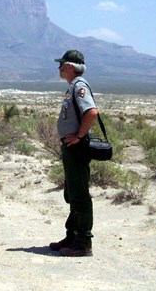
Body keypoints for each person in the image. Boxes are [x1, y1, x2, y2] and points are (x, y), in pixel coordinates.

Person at [51, 49, 98, 257]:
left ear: (69, 67)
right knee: (71, 192)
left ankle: (83, 242)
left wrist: (79, 136)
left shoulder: (79, 87)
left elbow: (92, 112)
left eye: (61, 64)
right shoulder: (73, 87)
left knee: (79, 194)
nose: (59, 68)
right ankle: (72, 235)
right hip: (71, 147)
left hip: (77, 147)